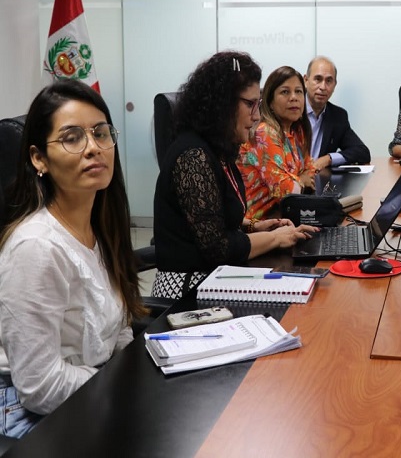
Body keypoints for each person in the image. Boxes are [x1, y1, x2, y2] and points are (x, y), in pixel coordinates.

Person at [0, 80, 144, 437]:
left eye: (100, 133)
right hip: (28, 409)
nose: (94, 148)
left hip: (89, 386)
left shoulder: (101, 227)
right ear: (39, 158)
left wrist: (133, 375)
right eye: (72, 138)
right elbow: (40, 384)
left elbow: (119, 328)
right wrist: (121, 391)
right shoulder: (36, 247)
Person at [153, 52, 314, 299]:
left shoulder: (219, 150)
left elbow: (214, 221)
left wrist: (253, 226)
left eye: (258, 104)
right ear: (222, 105)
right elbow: (217, 248)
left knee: (305, 289)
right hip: (188, 289)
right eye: (250, 104)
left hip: (217, 277)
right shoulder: (193, 155)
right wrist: (273, 239)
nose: (257, 115)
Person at [239, 66, 316, 219]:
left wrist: (296, 180)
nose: (293, 97)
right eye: (285, 92)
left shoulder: (298, 131)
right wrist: (301, 180)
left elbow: (310, 169)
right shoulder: (264, 133)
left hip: (284, 217)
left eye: (299, 91)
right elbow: (285, 192)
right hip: (257, 222)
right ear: (270, 102)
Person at [303, 56, 371, 171]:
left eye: (329, 81)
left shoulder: (337, 116)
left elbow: (362, 152)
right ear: (306, 80)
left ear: (335, 85)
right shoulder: (292, 109)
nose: (323, 87)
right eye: (318, 79)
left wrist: (328, 159)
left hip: (317, 181)